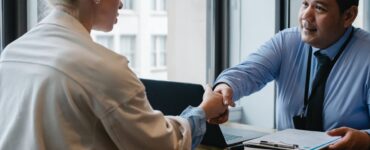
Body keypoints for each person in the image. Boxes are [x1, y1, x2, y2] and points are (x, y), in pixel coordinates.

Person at [0, 0, 228, 149]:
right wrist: (203, 111)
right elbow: (163, 145)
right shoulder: (103, 67)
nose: (121, 4)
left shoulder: (11, 54)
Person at [213, 0, 370, 149]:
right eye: (305, 4)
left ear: (348, 15)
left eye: (320, 8)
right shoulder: (287, 41)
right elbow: (247, 73)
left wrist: (366, 140)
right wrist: (225, 87)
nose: (306, 16)